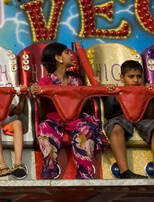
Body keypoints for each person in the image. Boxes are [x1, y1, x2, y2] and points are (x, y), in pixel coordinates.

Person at [29, 42, 105, 180]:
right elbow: (39, 106)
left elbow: (84, 102)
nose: (71, 55)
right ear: (58, 58)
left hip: (75, 119)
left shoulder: (77, 81)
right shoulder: (44, 82)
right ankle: (49, 168)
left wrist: (95, 89)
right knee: (45, 127)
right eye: (67, 53)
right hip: (54, 119)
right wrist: (35, 93)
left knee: (86, 128)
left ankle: (85, 173)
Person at [101, 59, 154, 179]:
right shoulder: (116, 91)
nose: (136, 80)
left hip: (142, 121)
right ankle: (124, 172)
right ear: (122, 78)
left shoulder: (145, 90)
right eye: (131, 77)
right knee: (115, 126)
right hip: (121, 120)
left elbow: (150, 115)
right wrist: (106, 94)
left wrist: (150, 95)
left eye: (139, 76)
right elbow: (107, 114)